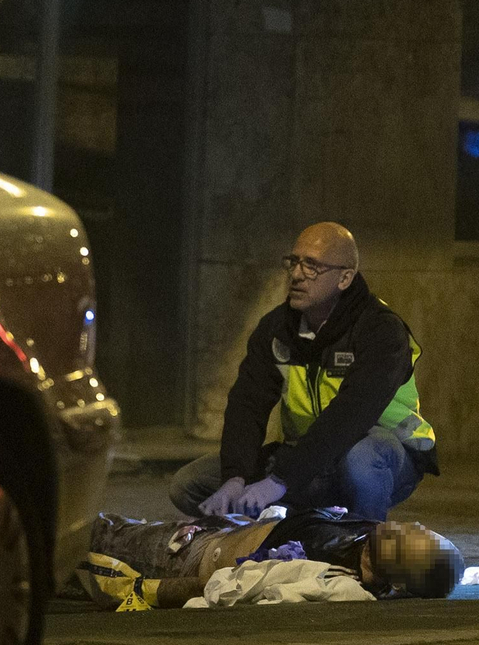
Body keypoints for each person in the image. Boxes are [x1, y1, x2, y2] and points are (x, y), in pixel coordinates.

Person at [168, 223, 437, 523]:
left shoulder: (379, 329)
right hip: (308, 458)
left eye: (312, 266)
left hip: (380, 454)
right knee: (189, 484)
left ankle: (361, 537)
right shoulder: (277, 328)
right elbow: (248, 404)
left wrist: (279, 480)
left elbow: (351, 415)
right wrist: (235, 477)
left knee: (362, 462)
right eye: (293, 262)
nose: (296, 274)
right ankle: (304, 521)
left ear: (345, 278)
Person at [79, 509, 464, 609]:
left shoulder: (333, 576)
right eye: (423, 530)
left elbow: (230, 586)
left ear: (398, 580)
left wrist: (151, 591)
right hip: (219, 531)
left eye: (416, 542)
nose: (413, 527)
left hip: (187, 555)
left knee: (92, 534)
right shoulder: (366, 536)